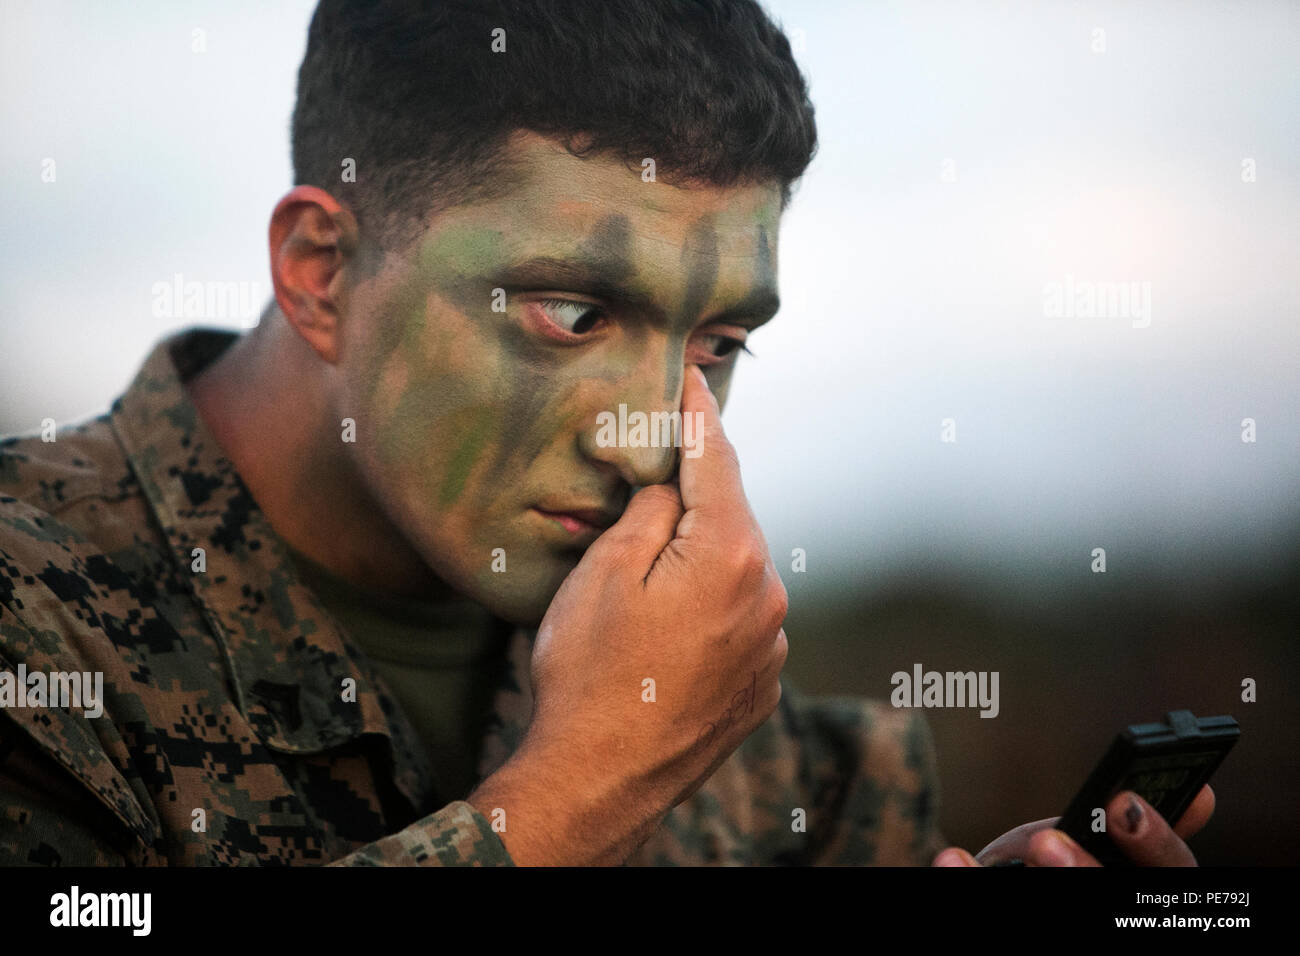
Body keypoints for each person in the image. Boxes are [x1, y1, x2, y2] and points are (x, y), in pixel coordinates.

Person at [0, 0, 1213, 866]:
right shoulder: (35, 630)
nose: (653, 443)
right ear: (322, 271)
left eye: (715, 344)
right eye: (573, 312)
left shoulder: (788, 769)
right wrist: (580, 794)